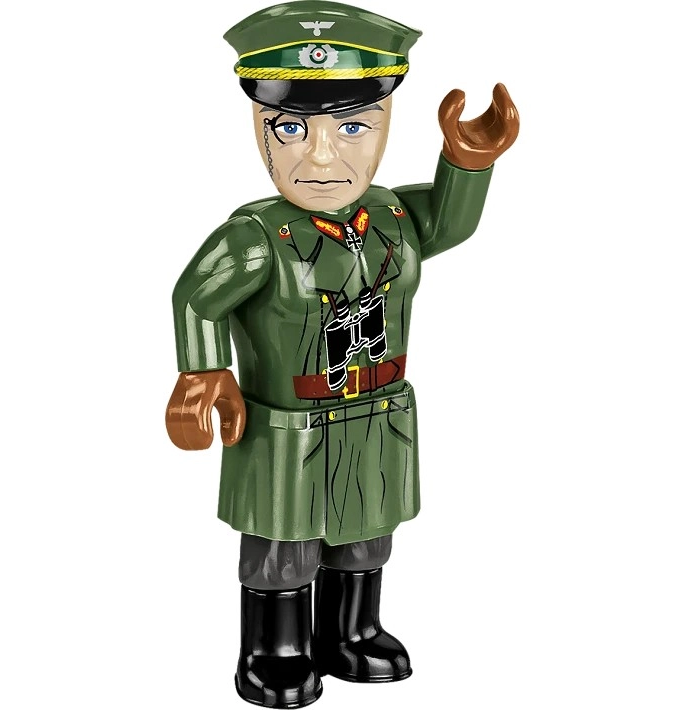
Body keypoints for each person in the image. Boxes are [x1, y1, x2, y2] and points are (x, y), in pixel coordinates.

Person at [166, 2, 519, 707]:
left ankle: (351, 632)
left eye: (353, 126)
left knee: (365, 533)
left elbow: (448, 222)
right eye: (291, 128)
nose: (322, 156)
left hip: (376, 412)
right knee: (284, 543)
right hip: (288, 424)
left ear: (386, 125)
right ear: (259, 127)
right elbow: (196, 296)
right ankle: (275, 649)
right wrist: (204, 370)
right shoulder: (254, 237)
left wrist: (468, 160)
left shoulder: (390, 216)